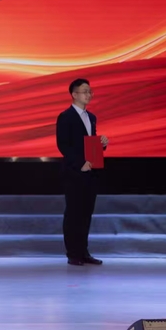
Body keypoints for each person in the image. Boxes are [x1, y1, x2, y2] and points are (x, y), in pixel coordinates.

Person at [56, 78, 108, 267]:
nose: (89, 95)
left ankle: (84, 252)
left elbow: (89, 144)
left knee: (86, 213)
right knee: (73, 213)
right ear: (74, 94)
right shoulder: (65, 116)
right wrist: (80, 164)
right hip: (74, 172)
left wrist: (101, 144)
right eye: (85, 91)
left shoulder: (91, 117)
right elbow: (63, 145)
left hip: (90, 172)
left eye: (90, 91)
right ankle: (73, 253)